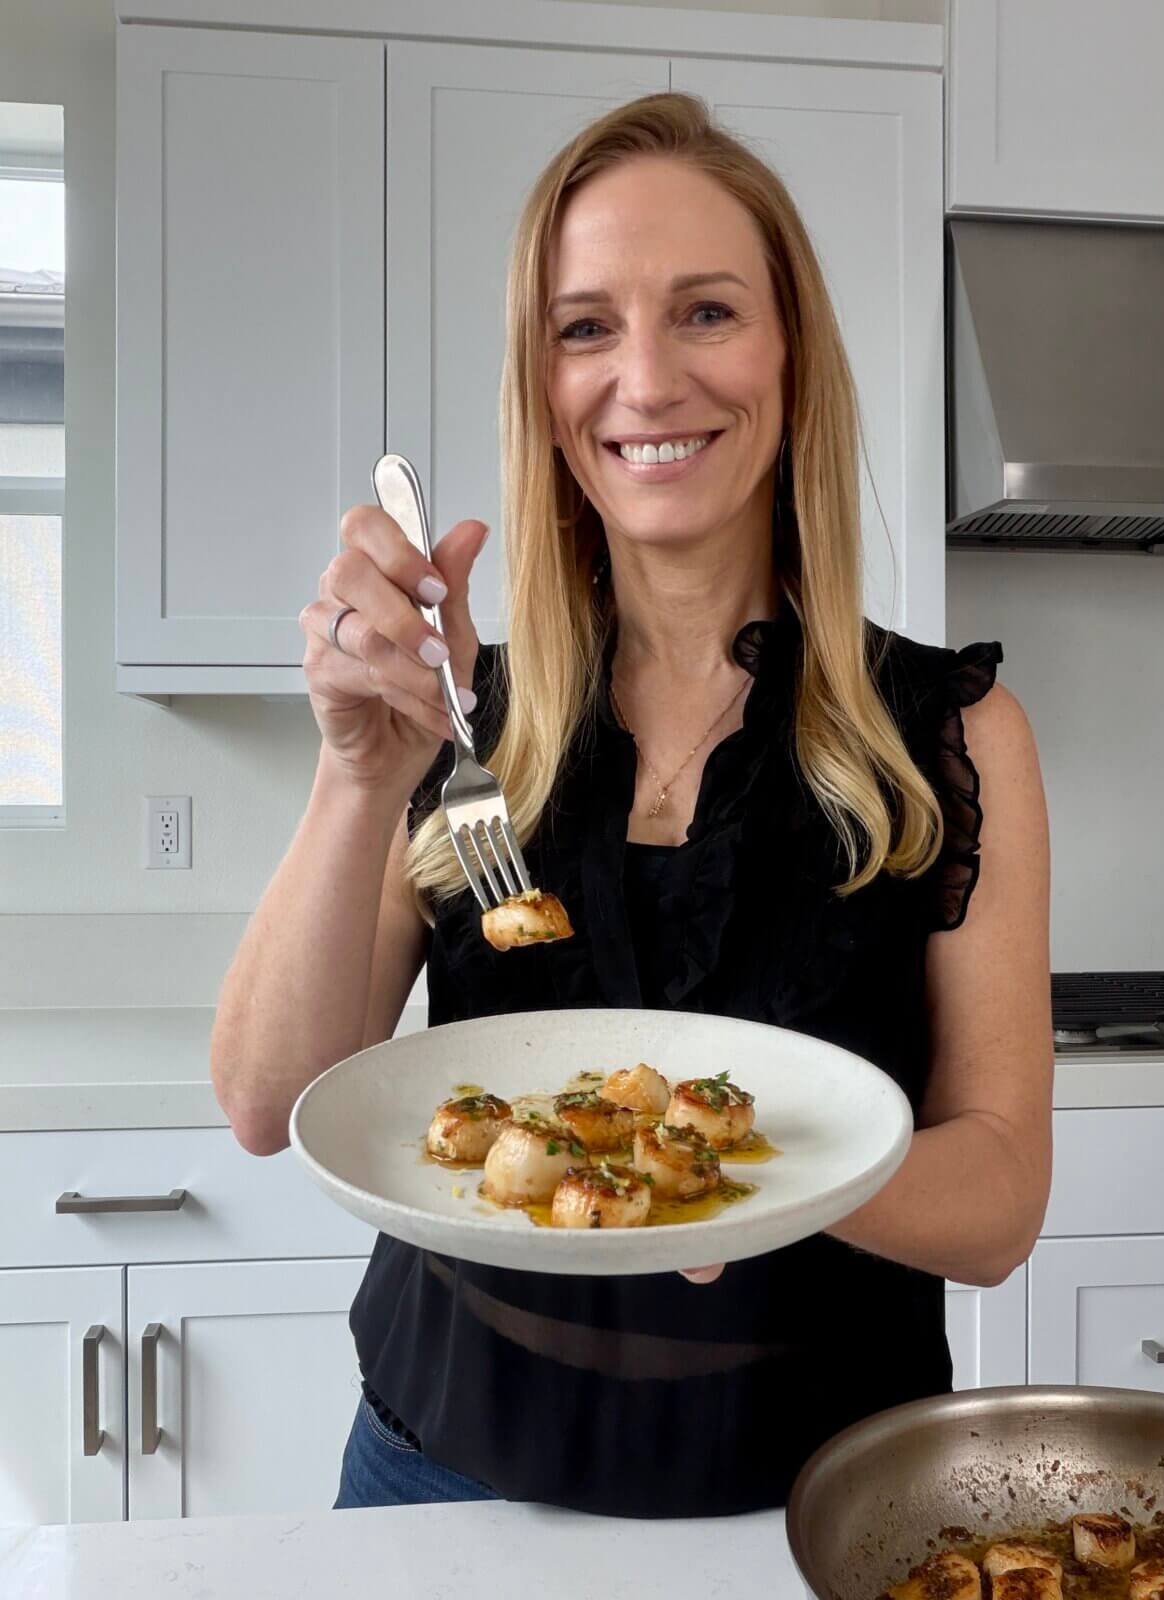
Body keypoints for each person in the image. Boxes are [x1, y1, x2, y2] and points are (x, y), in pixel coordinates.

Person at [210, 92, 1053, 1519]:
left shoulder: (952, 736)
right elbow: (265, 1098)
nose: (646, 380)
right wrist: (360, 769)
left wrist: (746, 1180)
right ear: (542, 385)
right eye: (586, 326)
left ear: (792, 359)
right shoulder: (463, 714)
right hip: (443, 1471)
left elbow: (997, 1201)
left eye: (707, 312)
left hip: (820, 1497)